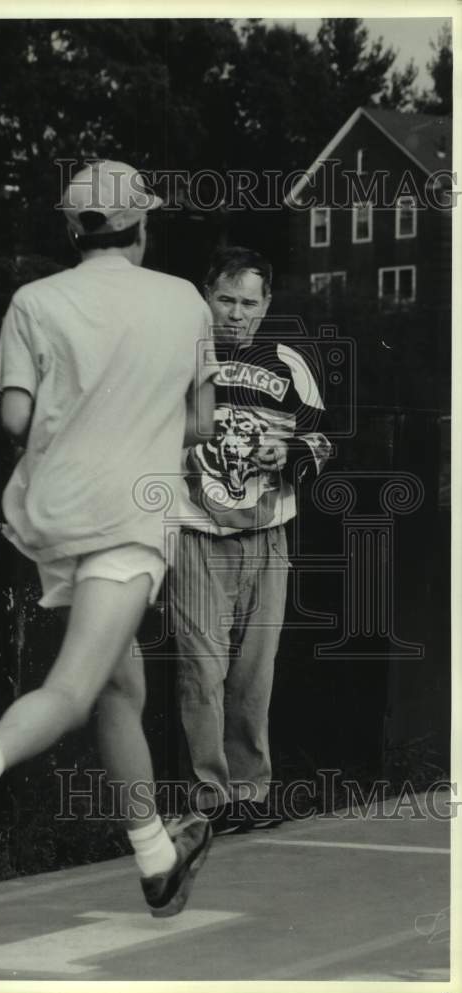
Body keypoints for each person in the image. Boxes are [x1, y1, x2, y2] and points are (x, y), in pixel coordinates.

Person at [0, 160, 218, 917]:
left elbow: (15, 419)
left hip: (52, 517)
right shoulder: (183, 301)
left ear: (71, 230)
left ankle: (155, 859)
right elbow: (202, 424)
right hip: (127, 520)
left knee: (119, 684)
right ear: (141, 226)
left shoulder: (32, 300)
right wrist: (137, 424)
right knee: (75, 690)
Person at [169, 246, 331, 835]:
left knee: (254, 671)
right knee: (200, 668)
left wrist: (287, 452)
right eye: (225, 299)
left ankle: (251, 794)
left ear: (266, 308)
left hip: (268, 531)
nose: (235, 314)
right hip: (194, 528)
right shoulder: (173, 357)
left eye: (248, 303)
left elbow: (321, 441)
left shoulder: (289, 362)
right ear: (205, 296)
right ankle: (212, 799)